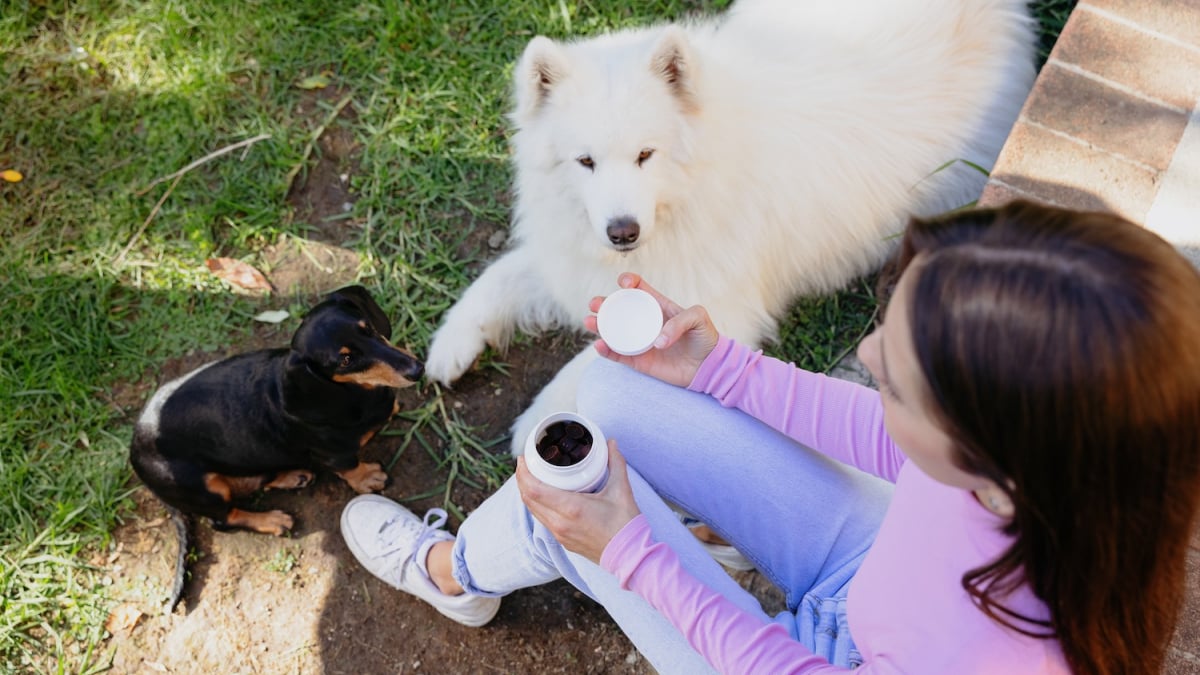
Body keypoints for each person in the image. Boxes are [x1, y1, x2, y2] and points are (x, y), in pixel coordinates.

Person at [341, 200, 1200, 674]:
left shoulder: (1003, 662)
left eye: (894, 377)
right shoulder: (1075, 476)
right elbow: (901, 447)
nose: (862, 356)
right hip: (867, 572)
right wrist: (720, 369)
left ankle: (454, 574)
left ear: (1003, 478)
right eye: (886, 327)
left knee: (565, 502)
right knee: (606, 386)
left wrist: (633, 553)